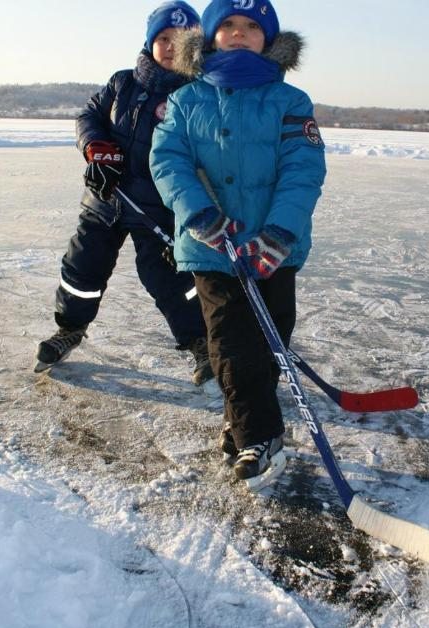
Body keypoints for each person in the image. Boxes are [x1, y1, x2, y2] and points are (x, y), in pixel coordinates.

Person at [150, 0, 326, 482]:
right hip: (214, 249)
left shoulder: (291, 102)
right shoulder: (187, 101)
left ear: (269, 39)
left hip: (274, 250)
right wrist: (199, 215)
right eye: (228, 25)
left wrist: (279, 234)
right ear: (210, 36)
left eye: (252, 26)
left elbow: (303, 170)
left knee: (272, 341)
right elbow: (168, 162)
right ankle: (260, 438)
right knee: (230, 345)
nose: (240, 33)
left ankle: (243, 416)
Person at [36, 1, 213, 387]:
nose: (170, 46)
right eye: (163, 38)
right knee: (83, 267)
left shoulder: (197, 95)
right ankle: (69, 328)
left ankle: (202, 343)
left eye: (180, 39)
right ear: (150, 42)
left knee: (170, 281)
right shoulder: (122, 83)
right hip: (106, 198)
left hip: (160, 209)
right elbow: (88, 118)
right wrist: (96, 148)